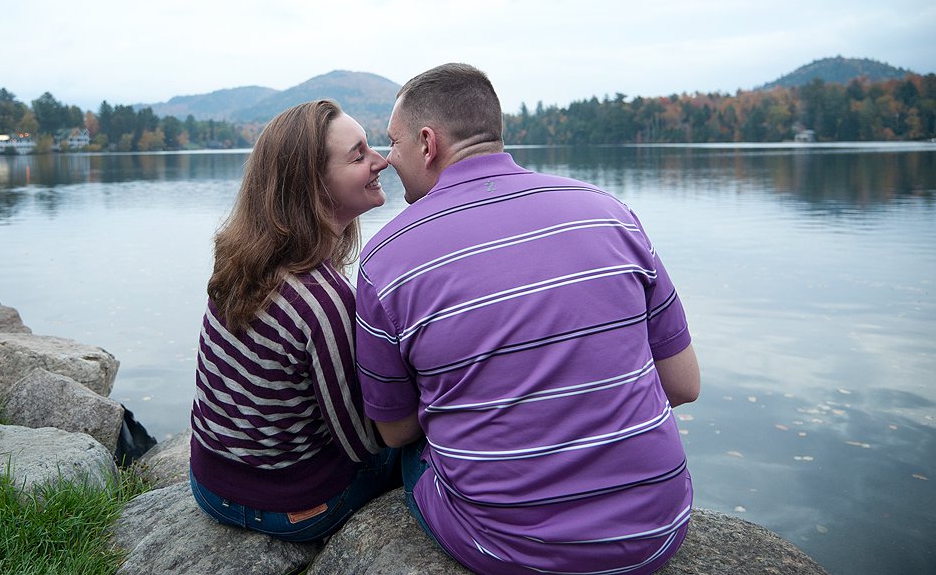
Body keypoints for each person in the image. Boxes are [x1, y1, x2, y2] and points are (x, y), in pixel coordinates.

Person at [355, 64, 700, 575]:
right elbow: (684, 383)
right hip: (658, 530)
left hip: (511, 549)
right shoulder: (609, 213)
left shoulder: (387, 256)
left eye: (395, 143)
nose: (388, 159)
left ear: (428, 143)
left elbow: (398, 429)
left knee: (406, 457)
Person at [189, 99, 398, 542]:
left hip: (207, 483)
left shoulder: (242, 259)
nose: (382, 161)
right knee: (417, 449)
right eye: (359, 156)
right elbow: (363, 443)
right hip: (291, 506)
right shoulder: (322, 301)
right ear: (313, 186)